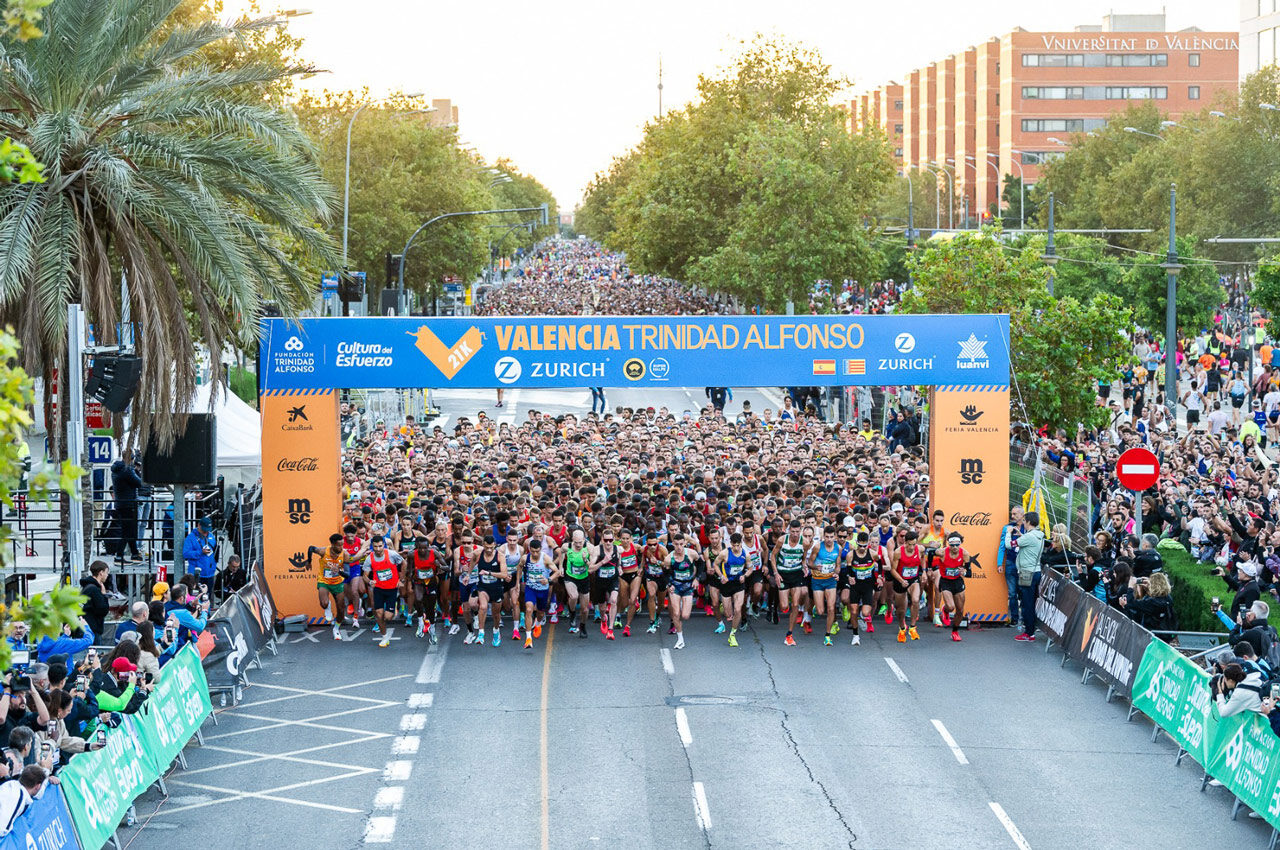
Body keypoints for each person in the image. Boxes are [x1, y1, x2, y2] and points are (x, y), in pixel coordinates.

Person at [308, 533, 352, 639]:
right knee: (324, 603)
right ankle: (327, 606)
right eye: (339, 545)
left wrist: (339, 571)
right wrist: (309, 561)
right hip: (324, 581)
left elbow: (347, 574)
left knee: (341, 610)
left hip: (337, 583)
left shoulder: (345, 554)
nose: (341, 547)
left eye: (342, 545)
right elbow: (310, 548)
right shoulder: (323, 551)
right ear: (332, 544)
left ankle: (336, 628)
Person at [365, 536, 404, 648]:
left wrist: (401, 579)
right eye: (375, 546)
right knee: (378, 614)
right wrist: (369, 581)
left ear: (384, 545)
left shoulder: (391, 554)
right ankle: (384, 637)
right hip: (378, 589)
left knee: (388, 617)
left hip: (392, 589)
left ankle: (394, 605)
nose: (378, 549)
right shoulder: (370, 558)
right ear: (372, 546)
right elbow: (365, 576)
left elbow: (404, 563)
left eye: (380, 546)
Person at [937, 533, 978, 642]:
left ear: (960, 544)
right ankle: (945, 610)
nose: (955, 547)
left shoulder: (964, 554)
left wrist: (964, 572)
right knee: (951, 607)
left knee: (960, 610)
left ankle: (955, 631)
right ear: (949, 544)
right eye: (952, 545)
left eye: (957, 545)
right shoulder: (942, 552)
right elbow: (931, 554)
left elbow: (969, 573)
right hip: (945, 581)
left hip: (957, 582)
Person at [521, 538, 560, 650]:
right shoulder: (525, 558)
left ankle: (537, 623)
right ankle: (528, 638)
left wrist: (548, 579)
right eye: (532, 551)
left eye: (537, 551)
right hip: (530, 588)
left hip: (543, 590)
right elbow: (519, 567)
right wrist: (520, 582)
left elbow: (557, 571)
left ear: (540, 549)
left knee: (541, 613)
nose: (535, 553)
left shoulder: (545, 559)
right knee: (529, 609)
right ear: (529, 549)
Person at [1014, 511, 1045, 643]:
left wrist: (1007, 535)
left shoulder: (1029, 536)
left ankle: (1029, 633)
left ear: (1029, 522)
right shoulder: (1038, 536)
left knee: (1027, 604)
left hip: (1027, 572)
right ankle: (1030, 630)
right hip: (1035, 571)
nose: (1023, 523)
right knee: (1030, 602)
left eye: (1024, 521)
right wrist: (1022, 536)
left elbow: (1010, 544)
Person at [110, 452, 143, 562]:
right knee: (127, 531)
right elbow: (139, 483)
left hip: (121, 503)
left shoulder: (116, 469)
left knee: (130, 529)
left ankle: (134, 553)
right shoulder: (127, 469)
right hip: (128, 504)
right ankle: (119, 555)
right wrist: (136, 470)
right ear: (132, 459)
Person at [0, 766, 52, 837]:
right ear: (38, 786)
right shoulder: (18, 797)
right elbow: (2, 830)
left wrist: (48, 779)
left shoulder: (12, 783)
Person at [998, 507, 1024, 629]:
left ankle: (1024, 619)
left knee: (1024, 592)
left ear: (1022, 515)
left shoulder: (1028, 528)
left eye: (1015, 514)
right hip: (1010, 563)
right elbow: (1002, 546)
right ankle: (1014, 619)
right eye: (1011, 513)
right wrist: (999, 563)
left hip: (1024, 565)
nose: (1012, 516)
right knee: (1012, 593)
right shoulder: (1007, 528)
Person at [78, 561, 111, 638]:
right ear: (101, 573)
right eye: (106, 572)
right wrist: (104, 595)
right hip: (91, 630)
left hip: (84, 627)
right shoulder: (94, 590)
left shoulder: (86, 587)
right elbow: (103, 610)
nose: (107, 575)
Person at [182, 516, 217, 585]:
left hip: (210, 574)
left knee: (208, 595)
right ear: (199, 525)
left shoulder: (211, 536)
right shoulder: (190, 538)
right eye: (204, 530)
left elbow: (215, 551)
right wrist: (200, 552)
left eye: (207, 530)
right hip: (197, 575)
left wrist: (214, 566)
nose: (206, 533)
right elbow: (185, 554)